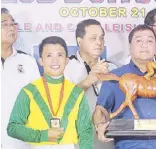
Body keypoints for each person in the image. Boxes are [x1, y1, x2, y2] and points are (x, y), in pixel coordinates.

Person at [92, 25, 156, 149]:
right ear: (129, 46)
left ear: (155, 45)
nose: (144, 45)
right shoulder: (116, 77)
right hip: (128, 145)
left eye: (150, 40)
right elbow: (101, 110)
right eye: (139, 41)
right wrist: (99, 125)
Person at [7, 36, 93, 149]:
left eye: (60, 55)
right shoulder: (28, 91)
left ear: (67, 60)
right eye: (49, 55)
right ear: (41, 61)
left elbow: (85, 131)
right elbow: (13, 128)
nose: (55, 60)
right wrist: (42, 135)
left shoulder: (77, 92)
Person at [63, 19, 117, 149]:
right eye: (93, 38)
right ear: (79, 41)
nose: (99, 42)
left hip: (107, 138)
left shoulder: (113, 68)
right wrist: (87, 81)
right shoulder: (65, 66)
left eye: (101, 38)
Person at [1, 8, 41, 149]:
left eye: (13, 24)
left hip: (19, 141)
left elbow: (37, 100)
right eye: (4, 24)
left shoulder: (27, 61)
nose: (11, 28)